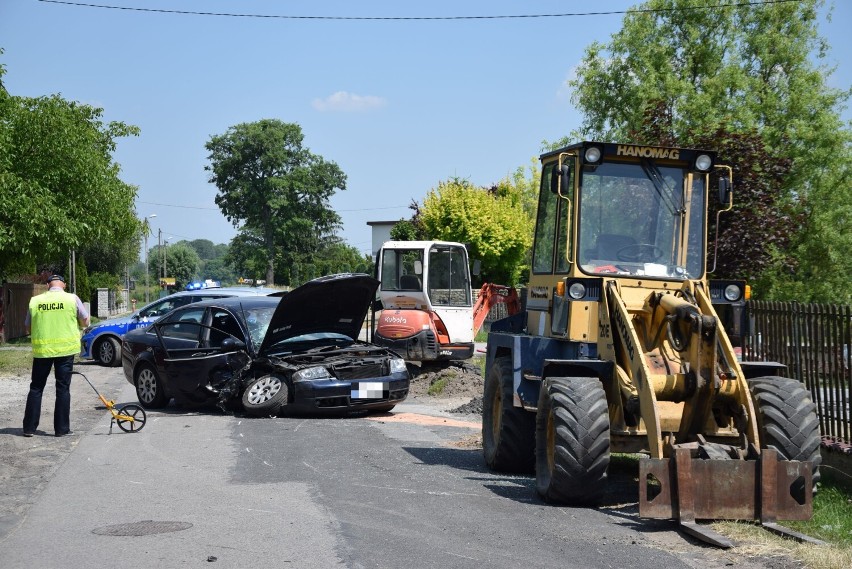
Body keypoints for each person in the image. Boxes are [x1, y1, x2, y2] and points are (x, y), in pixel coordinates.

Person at [22, 274, 90, 437]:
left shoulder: (35, 301)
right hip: (65, 351)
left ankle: (29, 428)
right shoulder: (72, 299)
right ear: (64, 285)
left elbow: (27, 328)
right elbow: (86, 321)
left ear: (47, 286)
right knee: (63, 389)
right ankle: (61, 429)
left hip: (42, 351)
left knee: (36, 388)